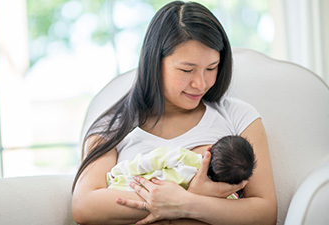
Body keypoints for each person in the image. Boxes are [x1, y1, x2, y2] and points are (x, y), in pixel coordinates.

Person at [71, 1, 277, 225]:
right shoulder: (114, 127)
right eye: (186, 70)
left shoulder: (238, 116)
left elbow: (265, 212)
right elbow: (85, 206)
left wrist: (187, 202)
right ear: (154, 63)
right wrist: (192, 197)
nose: (200, 83)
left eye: (211, 68)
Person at [107, 135, 256, 200]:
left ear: (208, 150)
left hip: (129, 185)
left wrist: (120, 171)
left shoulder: (184, 157)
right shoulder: (222, 195)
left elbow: (149, 160)